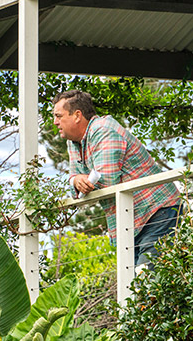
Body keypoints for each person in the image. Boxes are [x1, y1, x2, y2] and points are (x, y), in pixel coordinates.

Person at [52, 89, 180, 268]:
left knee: (146, 284)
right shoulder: (73, 141)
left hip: (158, 211)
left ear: (77, 115)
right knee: (134, 286)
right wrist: (75, 180)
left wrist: (82, 181)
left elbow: (106, 182)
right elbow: (76, 178)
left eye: (59, 116)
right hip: (131, 222)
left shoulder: (103, 130)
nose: (55, 122)